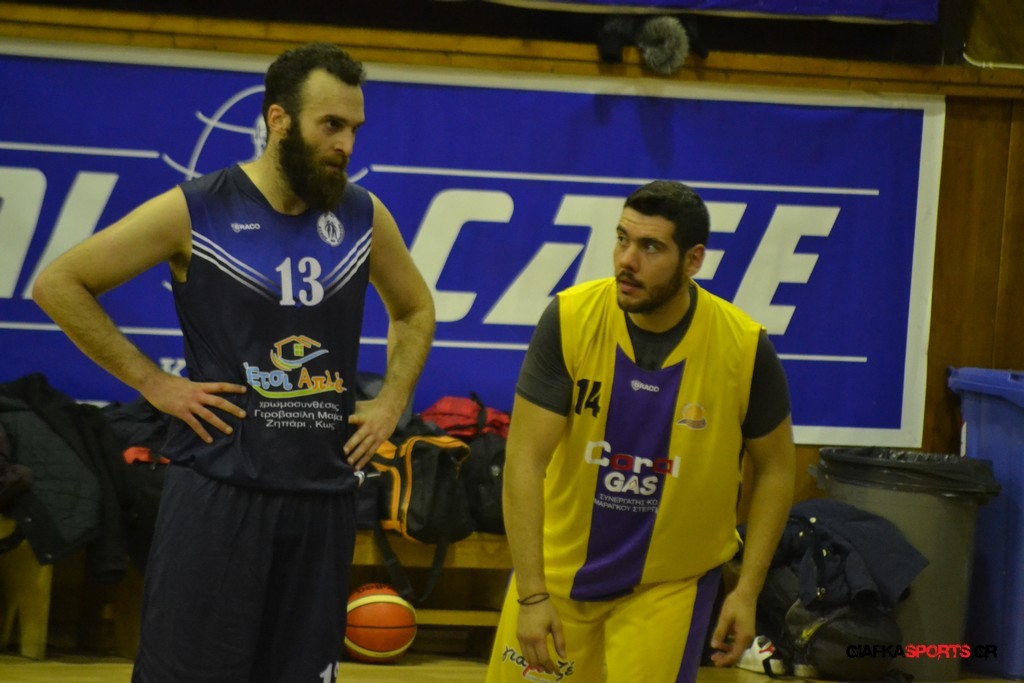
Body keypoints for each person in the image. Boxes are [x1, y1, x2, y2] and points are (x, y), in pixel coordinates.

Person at [32, 42, 435, 683]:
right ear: (279, 120)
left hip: (323, 496)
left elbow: (414, 310)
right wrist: (154, 383)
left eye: (355, 128)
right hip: (219, 493)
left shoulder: (363, 215)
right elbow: (59, 284)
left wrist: (392, 401)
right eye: (331, 125)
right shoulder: (197, 208)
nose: (346, 145)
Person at [486, 180, 796, 682]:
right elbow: (524, 460)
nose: (627, 260)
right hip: (558, 574)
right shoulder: (570, 318)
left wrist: (747, 590)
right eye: (622, 239)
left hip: (668, 587)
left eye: (650, 247)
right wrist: (532, 594)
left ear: (693, 260)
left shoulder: (743, 347)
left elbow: (778, 468)